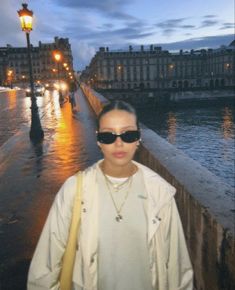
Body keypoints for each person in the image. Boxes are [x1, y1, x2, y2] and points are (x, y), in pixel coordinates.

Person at [27, 100, 193, 290]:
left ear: (139, 138)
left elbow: (178, 269)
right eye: (108, 136)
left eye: (128, 134)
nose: (119, 143)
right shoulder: (73, 190)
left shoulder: (160, 193)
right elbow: (45, 266)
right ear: (98, 140)